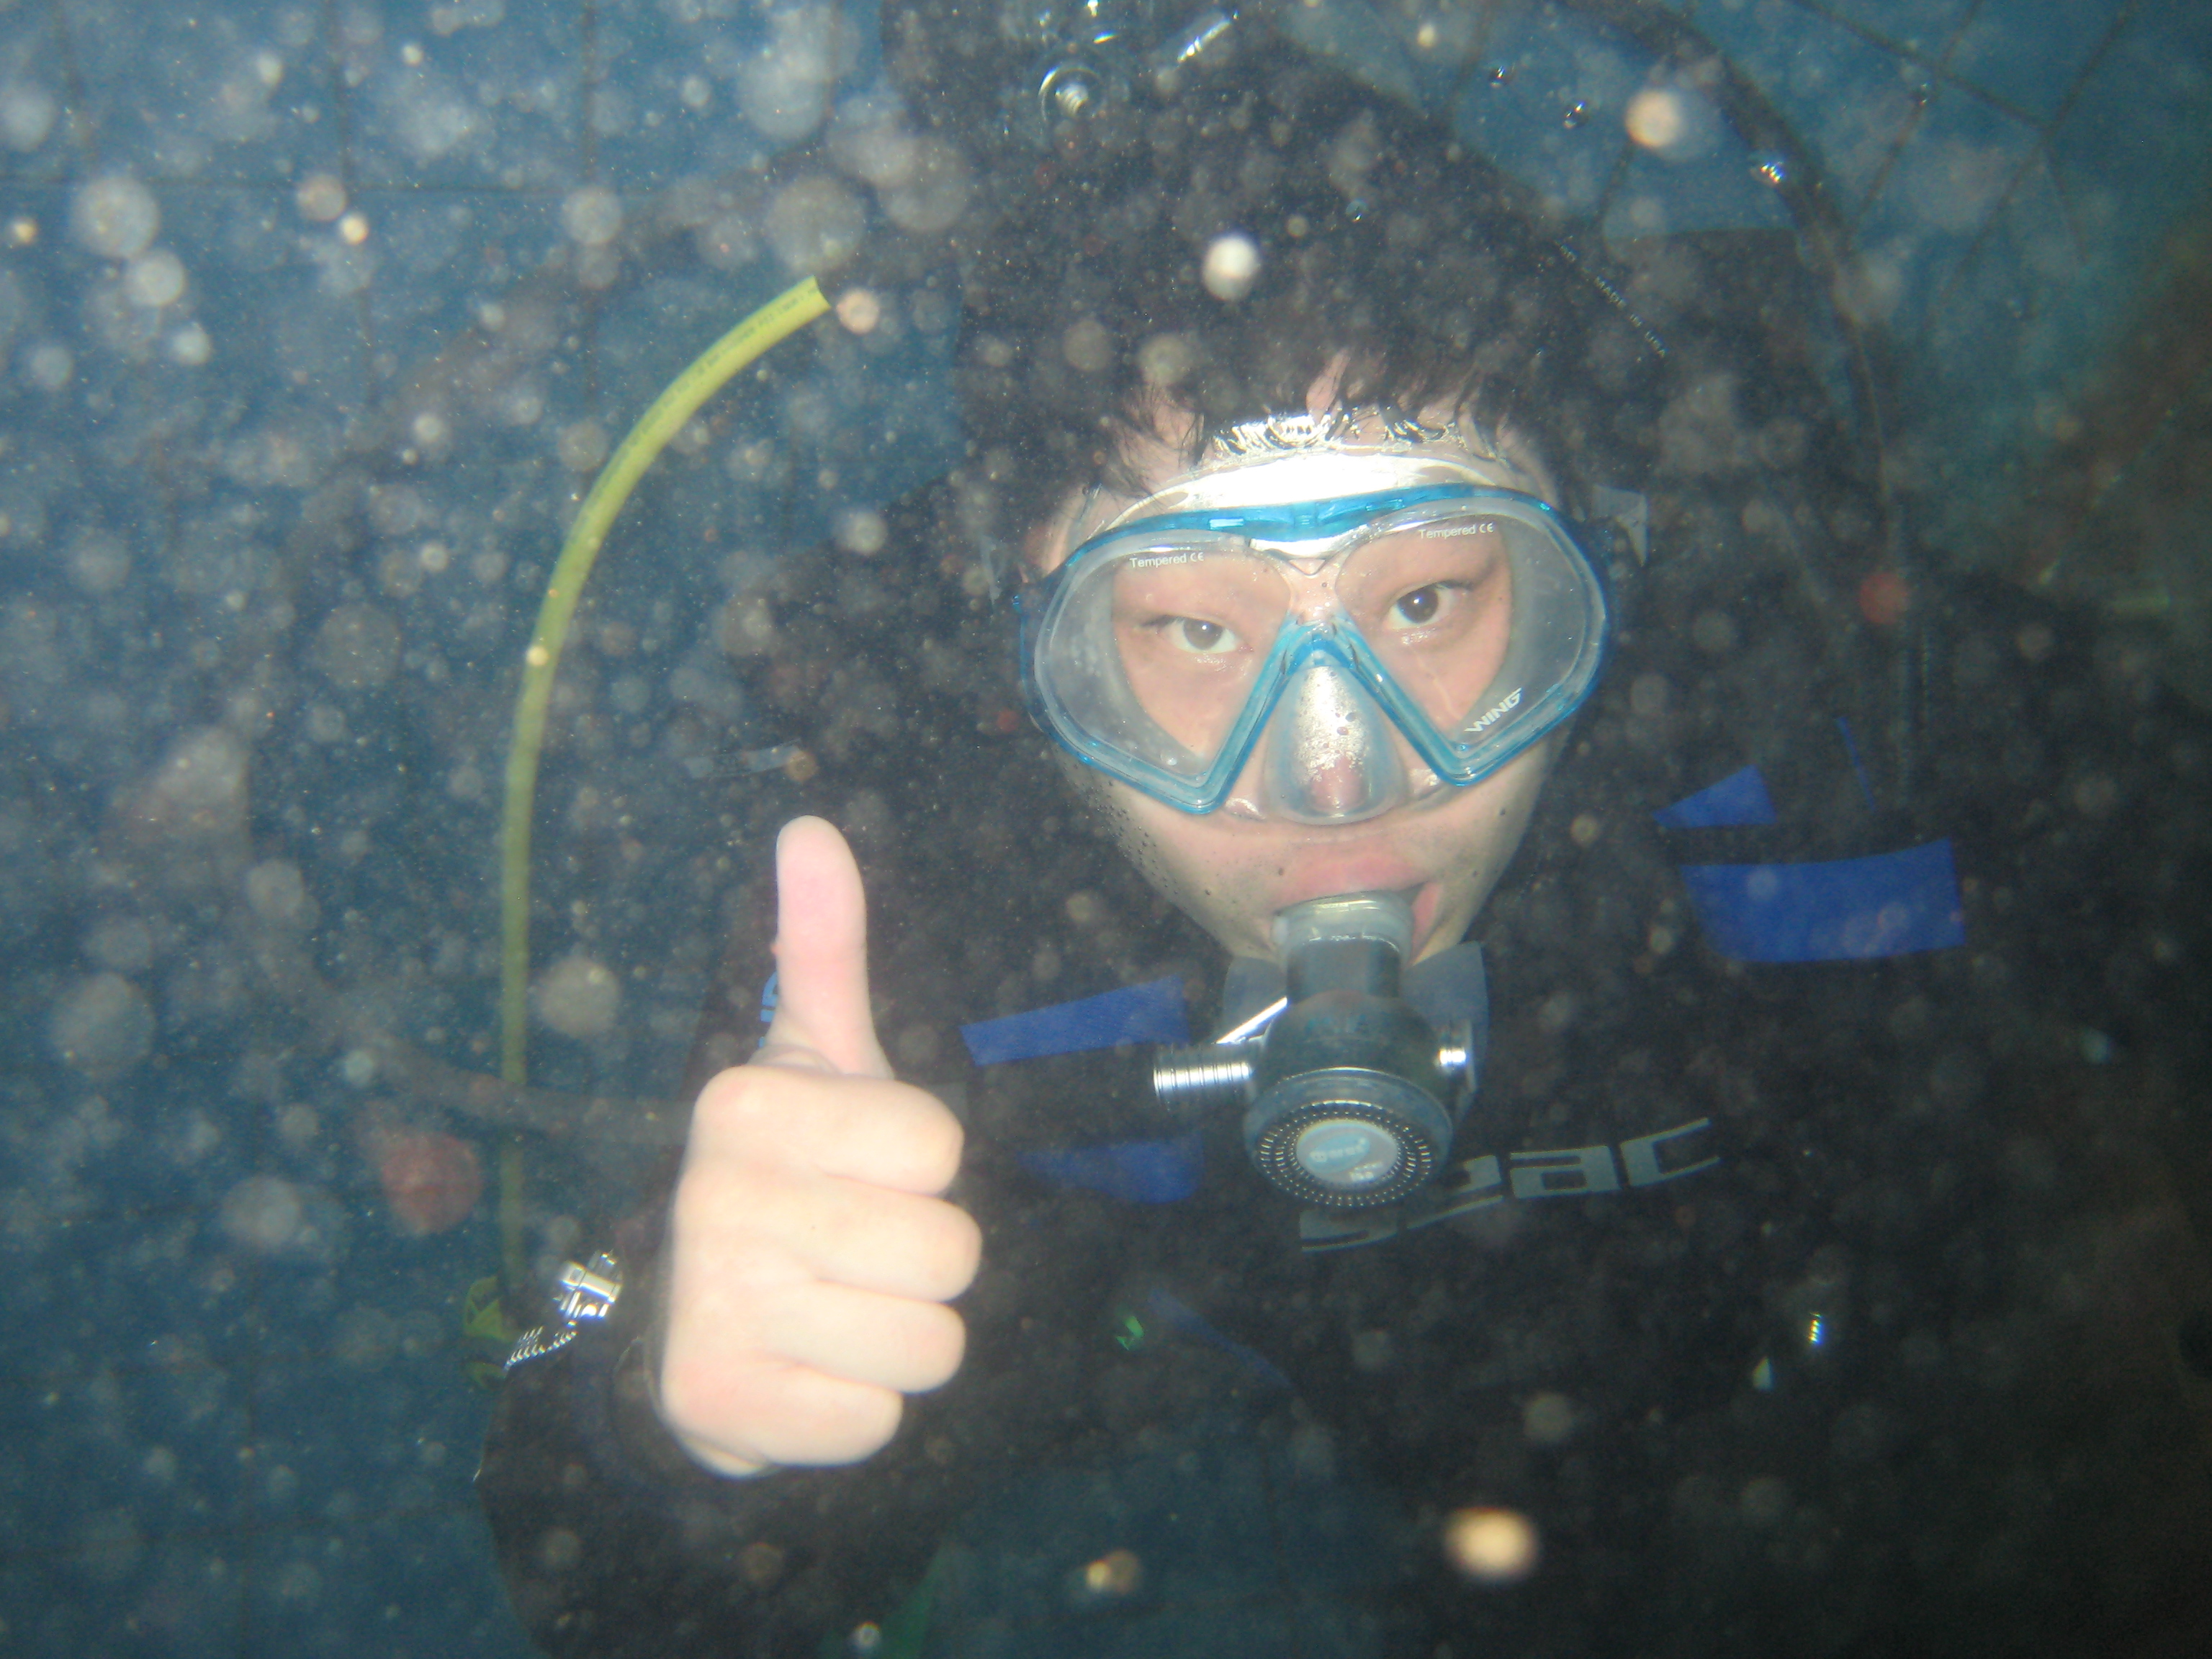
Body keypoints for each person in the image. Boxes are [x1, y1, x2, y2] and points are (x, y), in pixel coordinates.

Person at [479, 22, 2212, 1659]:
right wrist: (677, 1429)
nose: (1335, 783)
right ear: (1033, 654)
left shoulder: (1803, 705)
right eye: (1195, 632)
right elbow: (627, 1600)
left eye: (1429, 601)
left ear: (1590, 573)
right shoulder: (932, 932)